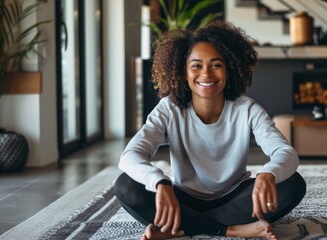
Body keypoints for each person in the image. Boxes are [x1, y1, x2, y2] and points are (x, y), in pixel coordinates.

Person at [114, 20, 306, 240]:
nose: (206, 73)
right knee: (127, 186)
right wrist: (159, 181)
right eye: (196, 65)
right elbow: (129, 156)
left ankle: (182, 227)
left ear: (229, 69)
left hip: (235, 198)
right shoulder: (169, 109)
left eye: (216, 64)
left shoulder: (247, 109)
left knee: (292, 184)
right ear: (184, 72)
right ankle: (230, 230)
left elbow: (286, 153)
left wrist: (268, 173)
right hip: (183, 198)